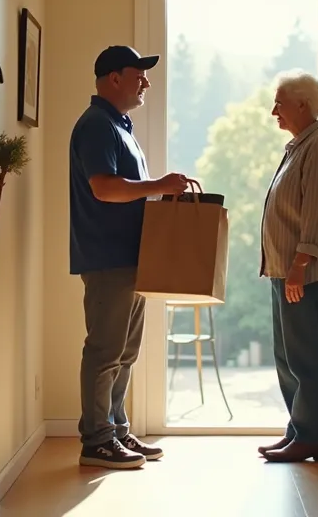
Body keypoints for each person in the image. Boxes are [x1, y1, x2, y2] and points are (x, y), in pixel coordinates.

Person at [69, 45, 190, 469]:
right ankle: (96, 439)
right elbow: (104, 187)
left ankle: (116, 430)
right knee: (105, 349)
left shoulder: (119, 126)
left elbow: (125, 189)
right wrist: (157, 183)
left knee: (125, 351)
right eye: (139, 74)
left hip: (130, 257)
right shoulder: (97, 126)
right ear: (113, 78)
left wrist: (159, 188)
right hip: (108, 257)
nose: (146, 82)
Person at [255, 70, 318, 463]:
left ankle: (312, 436)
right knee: (288, 355)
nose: (274, 110)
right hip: (287, 271)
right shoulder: (298, 147)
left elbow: (317, 214)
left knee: (306, 356)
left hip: (306, 274)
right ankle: (300, 429)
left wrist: (299, 265)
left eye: (280, 102)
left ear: (302, 105)